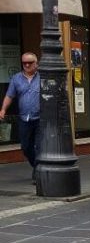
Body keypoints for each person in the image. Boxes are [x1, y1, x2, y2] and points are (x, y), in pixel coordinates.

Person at [0, 52, 41, 184]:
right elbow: (9, 95)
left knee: (39, 146)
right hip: (24, 118)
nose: (27, 65)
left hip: (41, 118)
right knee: (25, 146)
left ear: (36, 63)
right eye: (24, 63)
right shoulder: (16, 78)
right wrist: (3, 109)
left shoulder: (43, 77)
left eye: (30, 62)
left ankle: (38, 171)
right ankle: (37, 165)